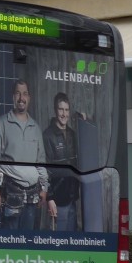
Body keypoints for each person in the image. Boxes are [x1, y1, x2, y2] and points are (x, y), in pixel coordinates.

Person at [0, 79, 52, 231]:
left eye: (25, 94)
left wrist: (44, 187)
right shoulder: (1, 124)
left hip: (32, 197)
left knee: (27, 244)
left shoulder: (35, 128)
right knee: (9, 244)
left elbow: (40, 161)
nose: (21, 98)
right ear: (13, 97)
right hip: (10, 195)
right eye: (18, 93)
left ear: (29, 98)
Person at [43, 93, 80, 232]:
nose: (64, 114)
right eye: (61, 109)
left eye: (66, 110)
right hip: (57, 200)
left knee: (72, 242)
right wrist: (50, 198)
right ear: (55, 110)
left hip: (72, 198)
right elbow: (45, 169)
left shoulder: (73, 134)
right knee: (59, 244)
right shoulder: (48, 135)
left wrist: (84, 120)